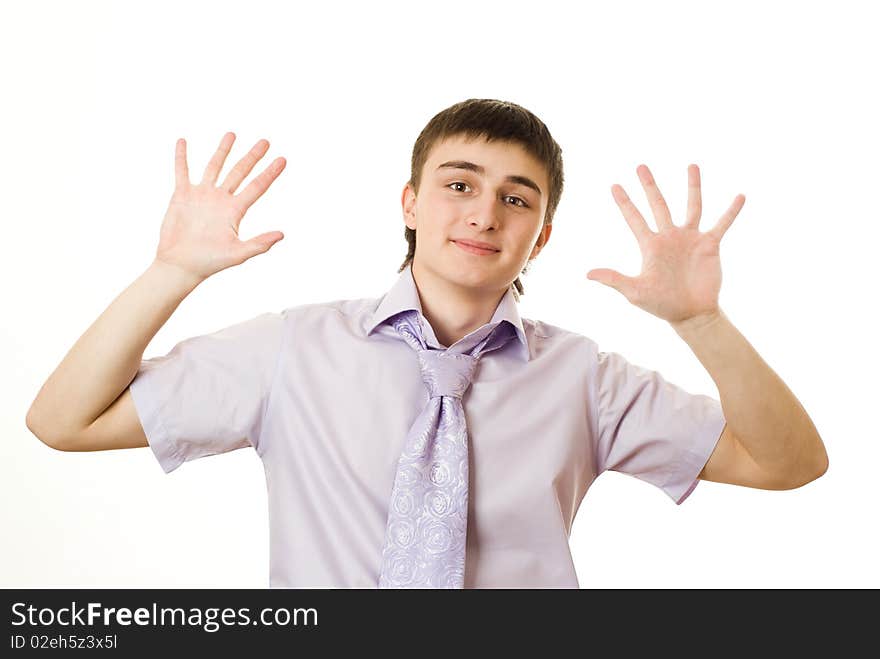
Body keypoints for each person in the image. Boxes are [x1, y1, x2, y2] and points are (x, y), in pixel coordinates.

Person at [26, 98, 829, 588]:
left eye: (516, 199)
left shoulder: (587, 378)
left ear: (540, 236)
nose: (484, 214)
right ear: (410, 202)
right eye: (459, 184)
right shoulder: (291, 350)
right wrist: (171, 272)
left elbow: (788, 463)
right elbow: (63, 421)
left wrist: (700, 323)